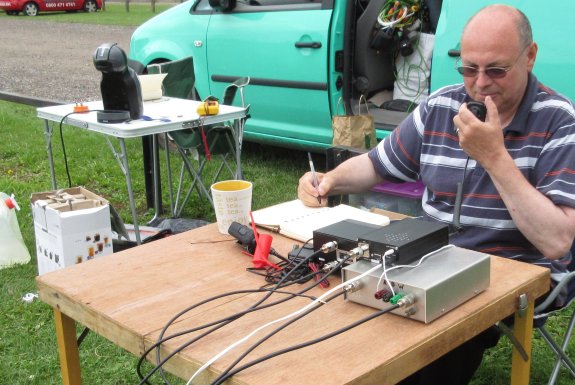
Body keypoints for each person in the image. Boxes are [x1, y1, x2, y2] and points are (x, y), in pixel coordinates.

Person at [298, 4, 575, 385]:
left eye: (496, 70)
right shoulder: (441, 106)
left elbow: (557, 240)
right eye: (468, 68)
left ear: (530, 57)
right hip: (428, 254)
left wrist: (494, 157)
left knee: (425, 355)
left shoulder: (560, 121)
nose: (479, 84)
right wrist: (328, 181)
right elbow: (378, 164)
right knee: (341, 308)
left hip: (512, 276)